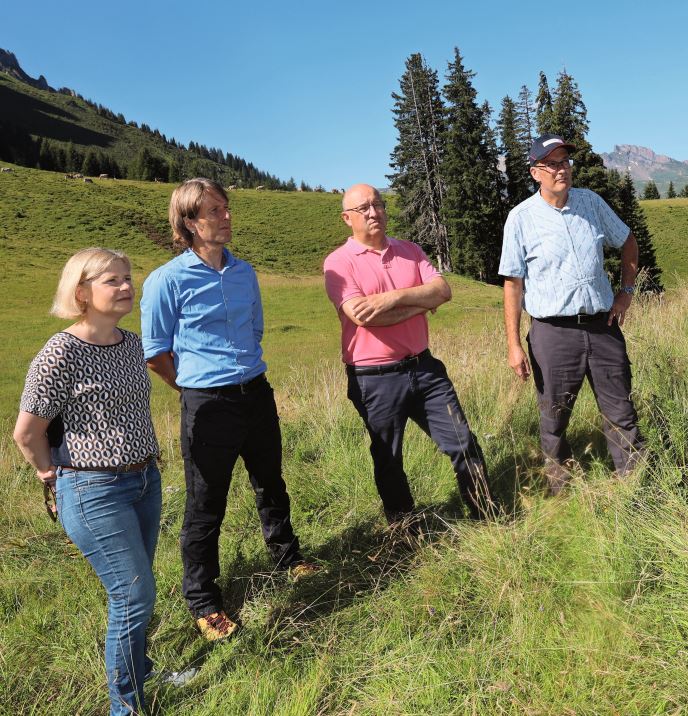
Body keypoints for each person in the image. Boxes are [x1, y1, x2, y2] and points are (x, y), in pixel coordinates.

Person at [141, 178, 317, 641]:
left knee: (271, 481)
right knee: (205, 503)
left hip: (255, 393)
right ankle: (203, 601)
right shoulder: (166, 280)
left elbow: (254, 328)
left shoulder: (244, 273)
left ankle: (288, 558)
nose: (226, 216)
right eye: (214, 210)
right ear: (189, 222)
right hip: (207, 405)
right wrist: (193, 387)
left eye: (226, 208)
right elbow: (156, 353)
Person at [14, 248, 162, 716]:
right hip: (92, 488)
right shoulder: (62, 352)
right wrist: (48, 475)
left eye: (127, 278)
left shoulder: (131, 344)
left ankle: (141, 671)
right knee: (132, 593)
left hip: (144, 480)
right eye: (112, 281)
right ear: (81, 292)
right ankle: (127, 706)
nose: (125, 287)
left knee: (139, 589)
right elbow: (26, 432)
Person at [323, 184, 493, 527]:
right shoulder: (338, 263)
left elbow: (443, 291)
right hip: (374, 378)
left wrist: (389, 299)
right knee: (389, 457)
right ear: (346, 218)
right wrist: (419, 303)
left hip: (425, 368)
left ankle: (486, 515)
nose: (374, 213)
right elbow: (362, 315)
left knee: (462, 441)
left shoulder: (411, 250)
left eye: (378, 204)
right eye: (363, 209)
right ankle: (404, 529)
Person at [500, 133, 645, 496]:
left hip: (602, 326)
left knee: (621, 410)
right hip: (552, 332)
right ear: (536, 173)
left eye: (565, 162)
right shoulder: (520, 219)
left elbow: (627, 240)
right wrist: (514, 344)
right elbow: (513, 284)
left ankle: (635, 484)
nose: (562, 169)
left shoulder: (591, 203)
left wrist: (625, 293)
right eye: (552, 164)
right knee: (555, 415)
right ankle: (559, 490)